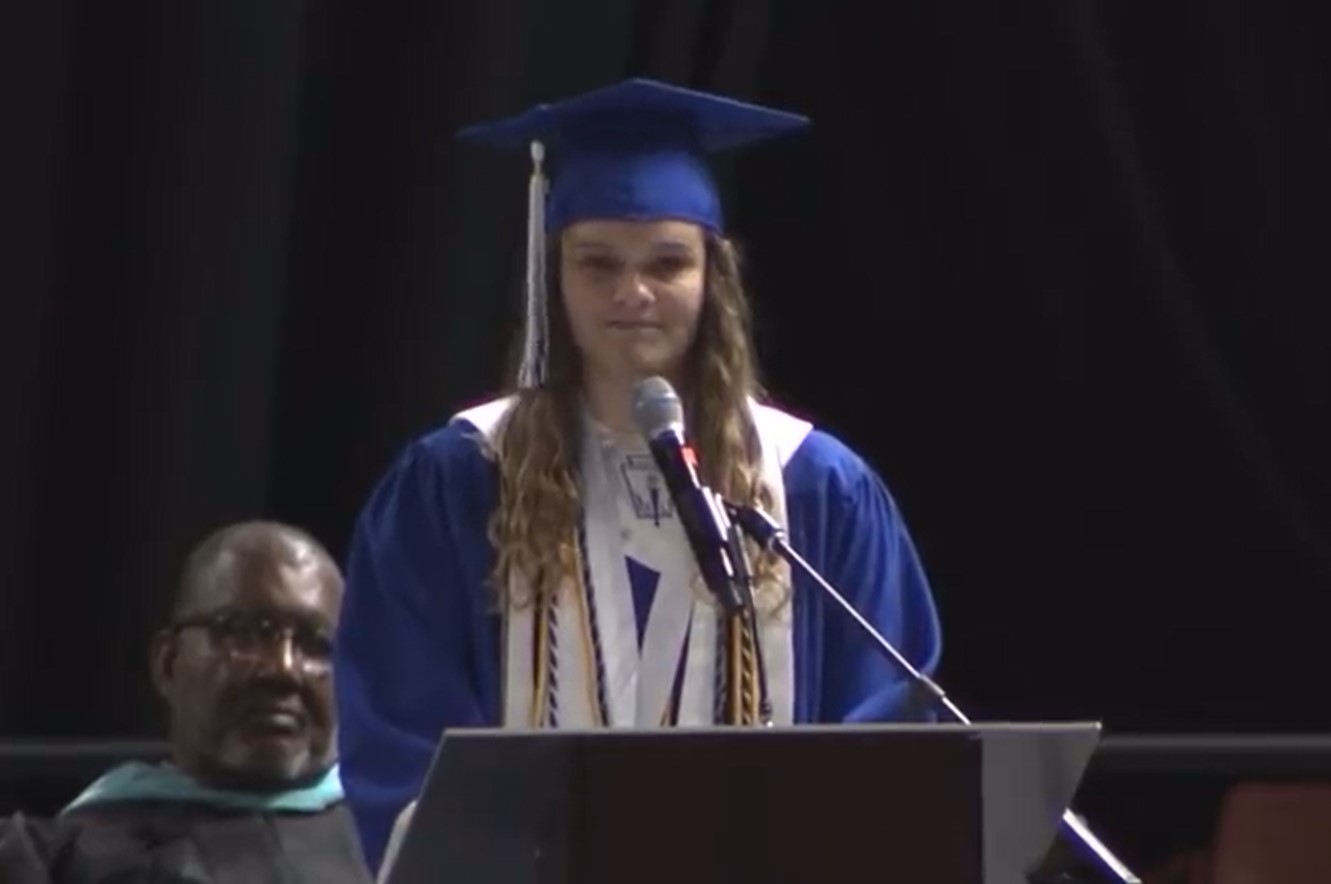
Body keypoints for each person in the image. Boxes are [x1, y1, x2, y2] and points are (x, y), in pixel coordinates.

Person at [334, 78, 945, 873]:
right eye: (598, 264)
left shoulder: (814, 489)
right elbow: (399, 717)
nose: (633, 293)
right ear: (553, 276)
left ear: (711, 278)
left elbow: (885, 726)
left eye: (667, 262)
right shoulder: (457, 480)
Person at [9, 521, 374, 883]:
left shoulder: (393, 835)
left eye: (318, 644)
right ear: (168, 663)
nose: (283, 669)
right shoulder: (58, 859)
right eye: (244, 633)